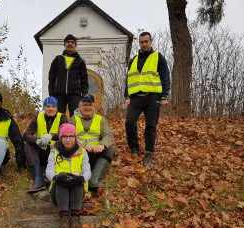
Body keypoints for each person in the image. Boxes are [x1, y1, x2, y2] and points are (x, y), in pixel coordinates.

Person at [124, 31, 171, 166]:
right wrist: (127, 95)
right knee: (129, 122)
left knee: (150, 126)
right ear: (139, 43)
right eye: (141, 42)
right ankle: (134, 148)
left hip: (152, 97)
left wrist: (164, 96)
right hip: (135, 98)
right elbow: (128, 79)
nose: (144, 44)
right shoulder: (133, 60)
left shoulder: (158, 57)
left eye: (146, 41)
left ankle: (149, 152)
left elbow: (165, 77)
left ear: (150, 42)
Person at [46, 124, 91, 228]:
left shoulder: (82, 152)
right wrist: (56, 178)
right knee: (61, 177)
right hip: (58, 193)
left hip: (77, 192)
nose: (68, 139)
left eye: (71, 136)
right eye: (65, 136)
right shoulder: (54, 152)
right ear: (61, 138)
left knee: (77, 179)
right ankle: (64, 219)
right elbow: (49, 171)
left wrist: (81, 178)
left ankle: (75, 218)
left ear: (75, 138)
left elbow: (88, 172)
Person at [69, 94, 114, 191]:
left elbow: (108, 135)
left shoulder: (101, 119)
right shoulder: (73, 119)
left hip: (96, 153)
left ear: (94, 106)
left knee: (110, 149)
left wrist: (102, 145)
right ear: (79, 106)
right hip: (78, 153)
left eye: (90, 105)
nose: (88, 107)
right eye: (84, 105)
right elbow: (69, 137)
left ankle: (94, 180)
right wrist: (84, 146)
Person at [23, 96, 68, 193]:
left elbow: (65, 134)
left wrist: (51, 135)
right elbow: (26, 135)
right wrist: (37, 140)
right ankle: (39, 180)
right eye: (47, 106)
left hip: (56, 151)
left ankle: (56, 180)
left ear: (57, 108)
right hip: (41, 150)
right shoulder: (38, 117)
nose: (50, 109)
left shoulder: (62, 117)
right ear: (44, 108)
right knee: (29, 145)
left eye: (53, 106)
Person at [48, 34, 89, 116]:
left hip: (75, 94)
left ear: (75, 45)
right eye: (68, 42)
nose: (70, 44)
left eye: (72, 42)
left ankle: (74, 129)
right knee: (57, 116)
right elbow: (52, 78)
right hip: (59, 94)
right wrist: (51, 94)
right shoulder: (57, 59)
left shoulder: (80, 61)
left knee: (76, 117)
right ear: (64, 44)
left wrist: (84, 94)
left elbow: (84, 79)